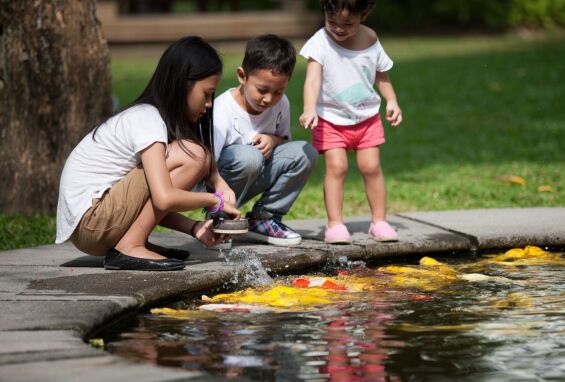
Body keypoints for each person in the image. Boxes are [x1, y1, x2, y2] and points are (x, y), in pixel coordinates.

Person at [55, 36, 241, 271]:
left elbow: (150, 204)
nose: (209, 104)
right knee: (194, 154)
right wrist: (215, 199)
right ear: (182, 84)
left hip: (94, 225)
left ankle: (132, 242)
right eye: (207, 94)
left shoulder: (153, 121)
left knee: (192, 156)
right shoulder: (147, 119)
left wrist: (195, 227)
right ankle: (130, 246)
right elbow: (164, 198)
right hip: (93, 223)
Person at [299, 0, 402, 244]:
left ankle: (379, 221)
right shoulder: (320, 42)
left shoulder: (370, 39)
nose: (339, 29)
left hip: (366, 118)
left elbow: (381, 74)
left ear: (363, 15)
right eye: (332, 21)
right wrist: (309, 108)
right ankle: (335, 224)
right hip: (330, 119)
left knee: (371, 168)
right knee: (337, 167)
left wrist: (392, 101)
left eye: (348, 23)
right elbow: (312, 80)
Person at [211, 34, 317, 246]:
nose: (269, 99)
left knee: (305, 152)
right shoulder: (222, 110)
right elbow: (207, 164)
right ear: (242, 76)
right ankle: (220, 219)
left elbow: (283, 140)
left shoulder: (280, 104)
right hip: (218, 185)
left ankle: (264, 218)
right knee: (250, 156)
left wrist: (273, 140)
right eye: (262, 90)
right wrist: (218, 199)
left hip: (254, 173)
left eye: (278, 91)